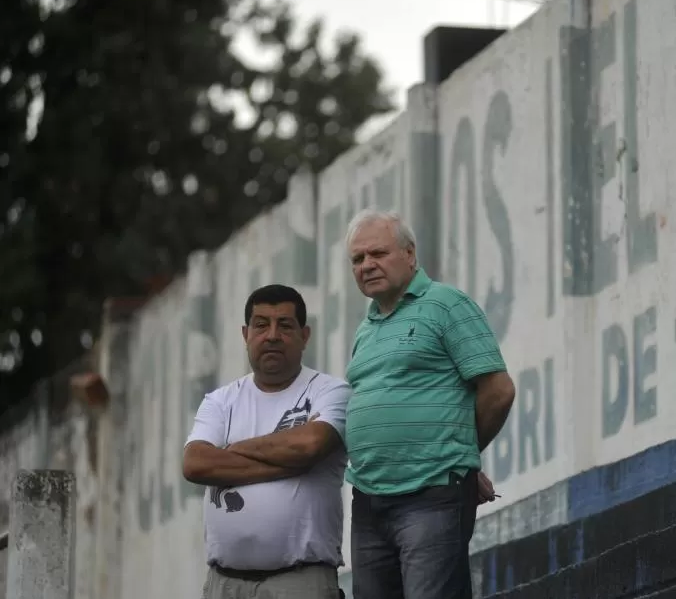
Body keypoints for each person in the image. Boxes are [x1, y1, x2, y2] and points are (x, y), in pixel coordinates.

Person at [343, 208, 517, 599]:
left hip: (431, 496)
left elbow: (498, 390)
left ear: (409, 254)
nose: (367, 265)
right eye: (357, 259)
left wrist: (459, 453)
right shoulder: (366, 328)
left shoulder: (445, 304)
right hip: (370, 503)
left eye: (378, 253)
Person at [182, 284, 351, 599]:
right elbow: (195, 464)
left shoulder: (330, 392)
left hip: (300, 581)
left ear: (305, 335)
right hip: (224, 584)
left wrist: (231, 452)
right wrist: (292, 464)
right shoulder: (220, 401)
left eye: (285, 325)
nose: (272, 335)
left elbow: (310, 445)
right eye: (261, 325)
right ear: (246, 334)